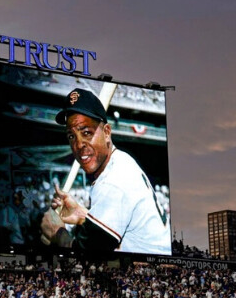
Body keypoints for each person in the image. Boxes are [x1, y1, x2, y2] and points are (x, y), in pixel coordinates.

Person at [40, 88, 171, 254]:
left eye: (87, 132)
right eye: (72, 136)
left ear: (107, 132)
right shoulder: (121, 161)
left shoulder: (113, 181)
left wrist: (57, 233)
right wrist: (82, 215)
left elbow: (87, 257)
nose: (79, 145)